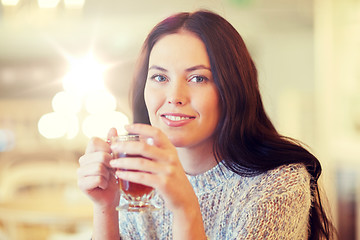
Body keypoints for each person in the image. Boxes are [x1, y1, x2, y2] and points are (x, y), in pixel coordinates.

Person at [77, 10, 335, 240]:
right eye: (159, 77)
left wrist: (185, 208)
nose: (175, 96)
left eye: (198, 78)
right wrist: (106, 207)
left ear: (232, 89)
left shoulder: (278, 185)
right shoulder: (139, 179)